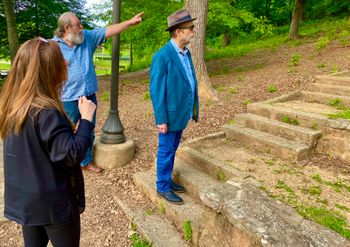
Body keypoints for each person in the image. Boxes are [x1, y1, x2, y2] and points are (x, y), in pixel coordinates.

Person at [0, 37, 96, 246]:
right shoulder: (46, 113)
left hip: (28, 201)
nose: (67, 63)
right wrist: (86, 120)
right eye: (60, 59)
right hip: (53, 205)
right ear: (47, 71)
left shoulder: (13, 105)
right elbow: (71, 155)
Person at [52, 11, 143, 173]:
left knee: (89, 129)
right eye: (78, 25)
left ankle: (85, 161)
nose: (82, 27)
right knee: (65, 130)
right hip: (67, 98)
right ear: (66, 28)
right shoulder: (52, 47)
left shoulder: (86, 37)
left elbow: (108, 30)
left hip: (89, 96)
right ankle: (64, 163)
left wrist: (129, 22)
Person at [150, 9, 199, 205]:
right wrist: (160, 119)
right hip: (169, 116)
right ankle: (162, 186)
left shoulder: (186, 53)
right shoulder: (162, 56)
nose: (193, 31)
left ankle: (167, 179)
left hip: (181, 113)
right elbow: (156, 90)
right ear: (178, 31)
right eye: (190, 28)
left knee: (172, 148)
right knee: (166, 150)